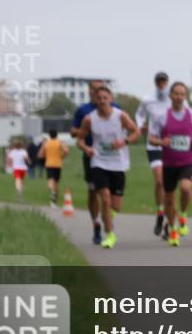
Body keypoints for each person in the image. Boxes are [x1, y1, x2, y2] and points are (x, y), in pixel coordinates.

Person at [76, 86, 140, 250]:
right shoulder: (89, 119)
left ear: (111, 99)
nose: (102, 101)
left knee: (116, 206)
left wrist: (124, 142)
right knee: (105, 198)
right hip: (99, 162)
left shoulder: (121, 116)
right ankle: (110, 235)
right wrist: (87, 149)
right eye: (99, 98)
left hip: (118, 163)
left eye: (105, 98)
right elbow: (80, 140)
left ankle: (107, 217)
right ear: (95, 100)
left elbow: (135, 132)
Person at [148, 82, 192, 246]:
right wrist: (161, 141)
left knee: (186, 188)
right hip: (168, 163)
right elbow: (151, 138)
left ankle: (183, 214)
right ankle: (173, 230)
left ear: (185, 97)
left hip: (187, 161)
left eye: (182, 94)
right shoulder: (163, 117)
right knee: (168, 200)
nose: (179, 97)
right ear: (170, 96)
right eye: (176, 94)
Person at [71, 79, 119, 245]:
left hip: (114, 157)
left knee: (113, 198)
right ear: (90, 91)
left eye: (102, 89)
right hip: (92, 156)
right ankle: (96, 224)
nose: (99, 93)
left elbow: (126, 127)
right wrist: (86, 129)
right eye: (95, 90)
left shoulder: (116, 108)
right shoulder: (83, 111)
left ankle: (108, 217)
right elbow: (73, 132)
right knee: (93, 192)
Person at [136, 71, 171, 236]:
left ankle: (167, 221)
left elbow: (186, 116)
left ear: (168, 82)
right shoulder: (147, 100)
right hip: (154, 145)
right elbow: (139, 114)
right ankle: (160, 213)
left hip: (172, 146)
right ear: (155, 83)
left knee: (170, 185)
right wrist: (140, 125)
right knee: (160, 181)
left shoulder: (175, 99)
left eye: (164, 81)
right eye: (159, 82)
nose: (161, 84)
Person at [38, 130, 69, 207]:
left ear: (49, 135)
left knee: (50, 180)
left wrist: (45, 156)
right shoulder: (59, 142)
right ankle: (55, 200)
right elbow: (66, 150)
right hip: (58, 164)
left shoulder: (46, 143)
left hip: (49, 164)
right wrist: (62, 156)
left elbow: (40, 155)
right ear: (56, 135)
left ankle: (52, 194)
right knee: (56, 182)